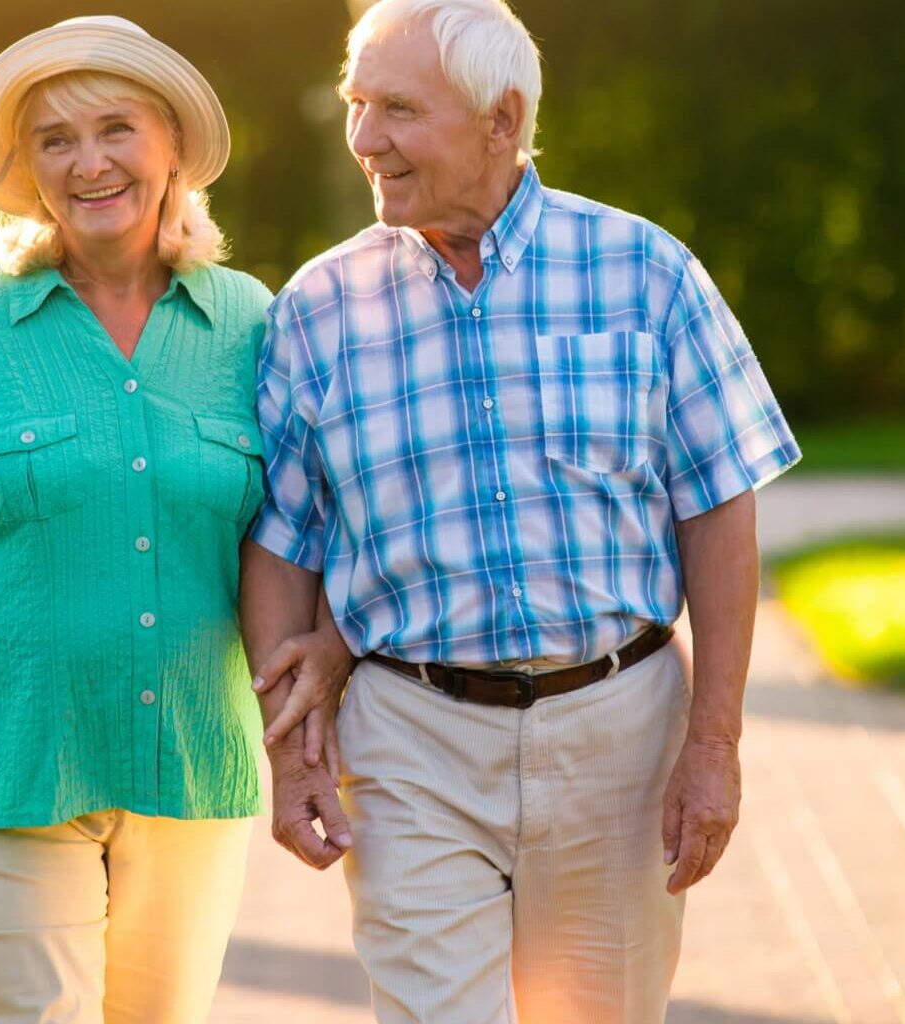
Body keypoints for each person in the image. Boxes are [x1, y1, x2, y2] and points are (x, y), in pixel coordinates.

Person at [240, 0, 802, 1020]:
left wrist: (713, 745)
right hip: (409, 734)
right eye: (357, 106)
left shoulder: (646, 273)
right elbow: (283, 544)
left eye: (399, 109)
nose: (366, 138)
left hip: (620, 734)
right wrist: (293, 755)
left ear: (502, 120)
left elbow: (720, 507)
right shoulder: (317, 309)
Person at [0, 17, 332, 1023]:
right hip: (7, 770)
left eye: (116, 129)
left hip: (191, 769)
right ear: (30, 171)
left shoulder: (253, 327)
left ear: (169, 145)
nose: (90, 163)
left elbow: (289, 551)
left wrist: (302, 750)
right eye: (55, 140)